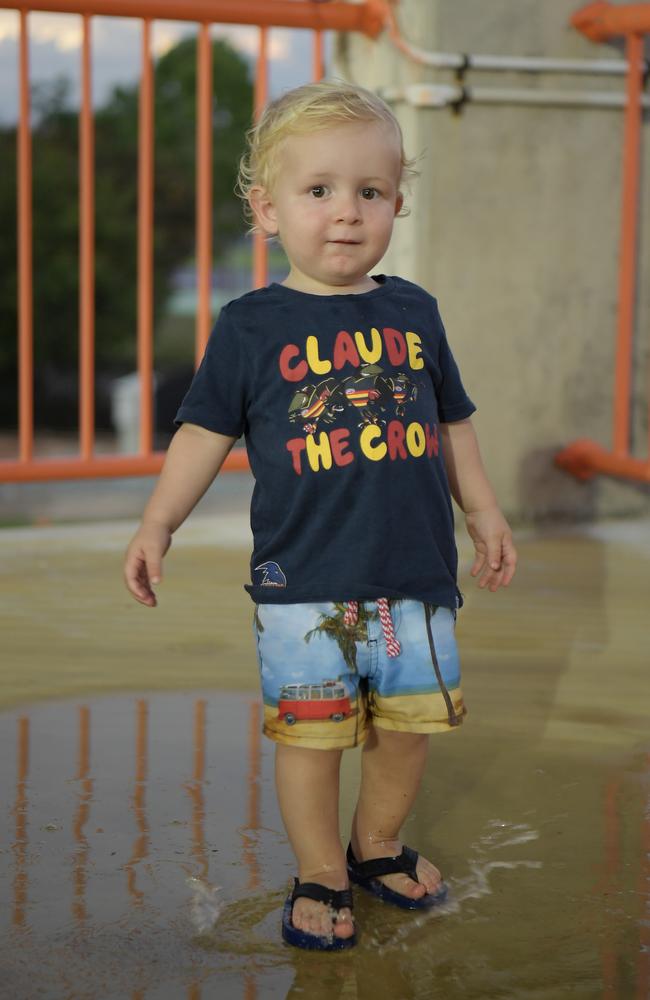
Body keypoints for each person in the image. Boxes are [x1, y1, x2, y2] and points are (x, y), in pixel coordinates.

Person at [123, 80, 517, 951]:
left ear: (397, 205)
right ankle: (320, 871)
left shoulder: (415, 313)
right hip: (303, 586)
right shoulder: (251, 326)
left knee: (408, 732)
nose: (346, 214)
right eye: (318, 191)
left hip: (414, 578)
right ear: (268, 210)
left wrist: (484, 511)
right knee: (312, 740)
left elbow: (452, 421)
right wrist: (158, 523)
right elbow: (201, 433)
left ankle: (374, 848)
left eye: (369, 192)